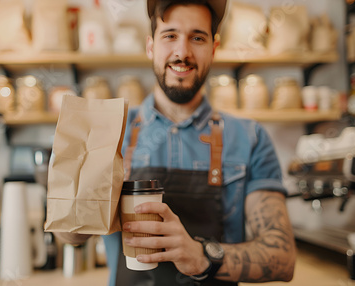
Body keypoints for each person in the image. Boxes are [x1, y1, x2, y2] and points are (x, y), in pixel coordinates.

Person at [56, 0, 296, 285]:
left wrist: (202, 256)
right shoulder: (108, 132)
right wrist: (81, 204)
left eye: (197, 38)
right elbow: (67, 237)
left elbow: (282, 259)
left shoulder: (251, 138)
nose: (182, 52)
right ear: (150, 46)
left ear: (214, 49)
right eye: (170, 35)